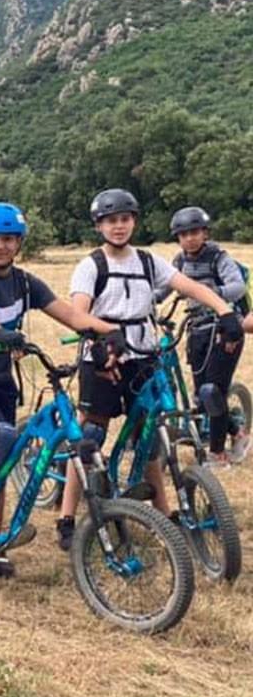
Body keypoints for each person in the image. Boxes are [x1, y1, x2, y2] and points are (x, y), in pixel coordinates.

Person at [0, 202, 124, 577]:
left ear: (19, 242)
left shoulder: (25, 283)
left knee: (5, 460)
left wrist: (108, 331)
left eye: (7, 239)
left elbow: (69, 313)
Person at [55, 190, 243, 549]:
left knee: (148, 434)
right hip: (105, 358)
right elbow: (78, 312)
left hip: (143, 356)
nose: (119, 226)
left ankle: (164, 512)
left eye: (125, 219)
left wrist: (225, 311)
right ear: (99, 226)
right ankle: (66, 517)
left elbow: (187, 286)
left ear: (134, 221)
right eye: (111, 220)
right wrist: (102, 336)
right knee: (90, 435)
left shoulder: (147, 261)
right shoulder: (91, 265)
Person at [163, 206, 249, 468]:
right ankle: (239, 432)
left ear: (205, 232)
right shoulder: (179, 261)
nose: (190, 238)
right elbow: (165, 287)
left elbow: (237, 287)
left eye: (195, 232)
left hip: (224, 330)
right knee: (202, 396)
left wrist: (211, 291)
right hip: (197, 331)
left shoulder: (218, 257)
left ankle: (217, 454)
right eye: (183, 234)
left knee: (213, 391)